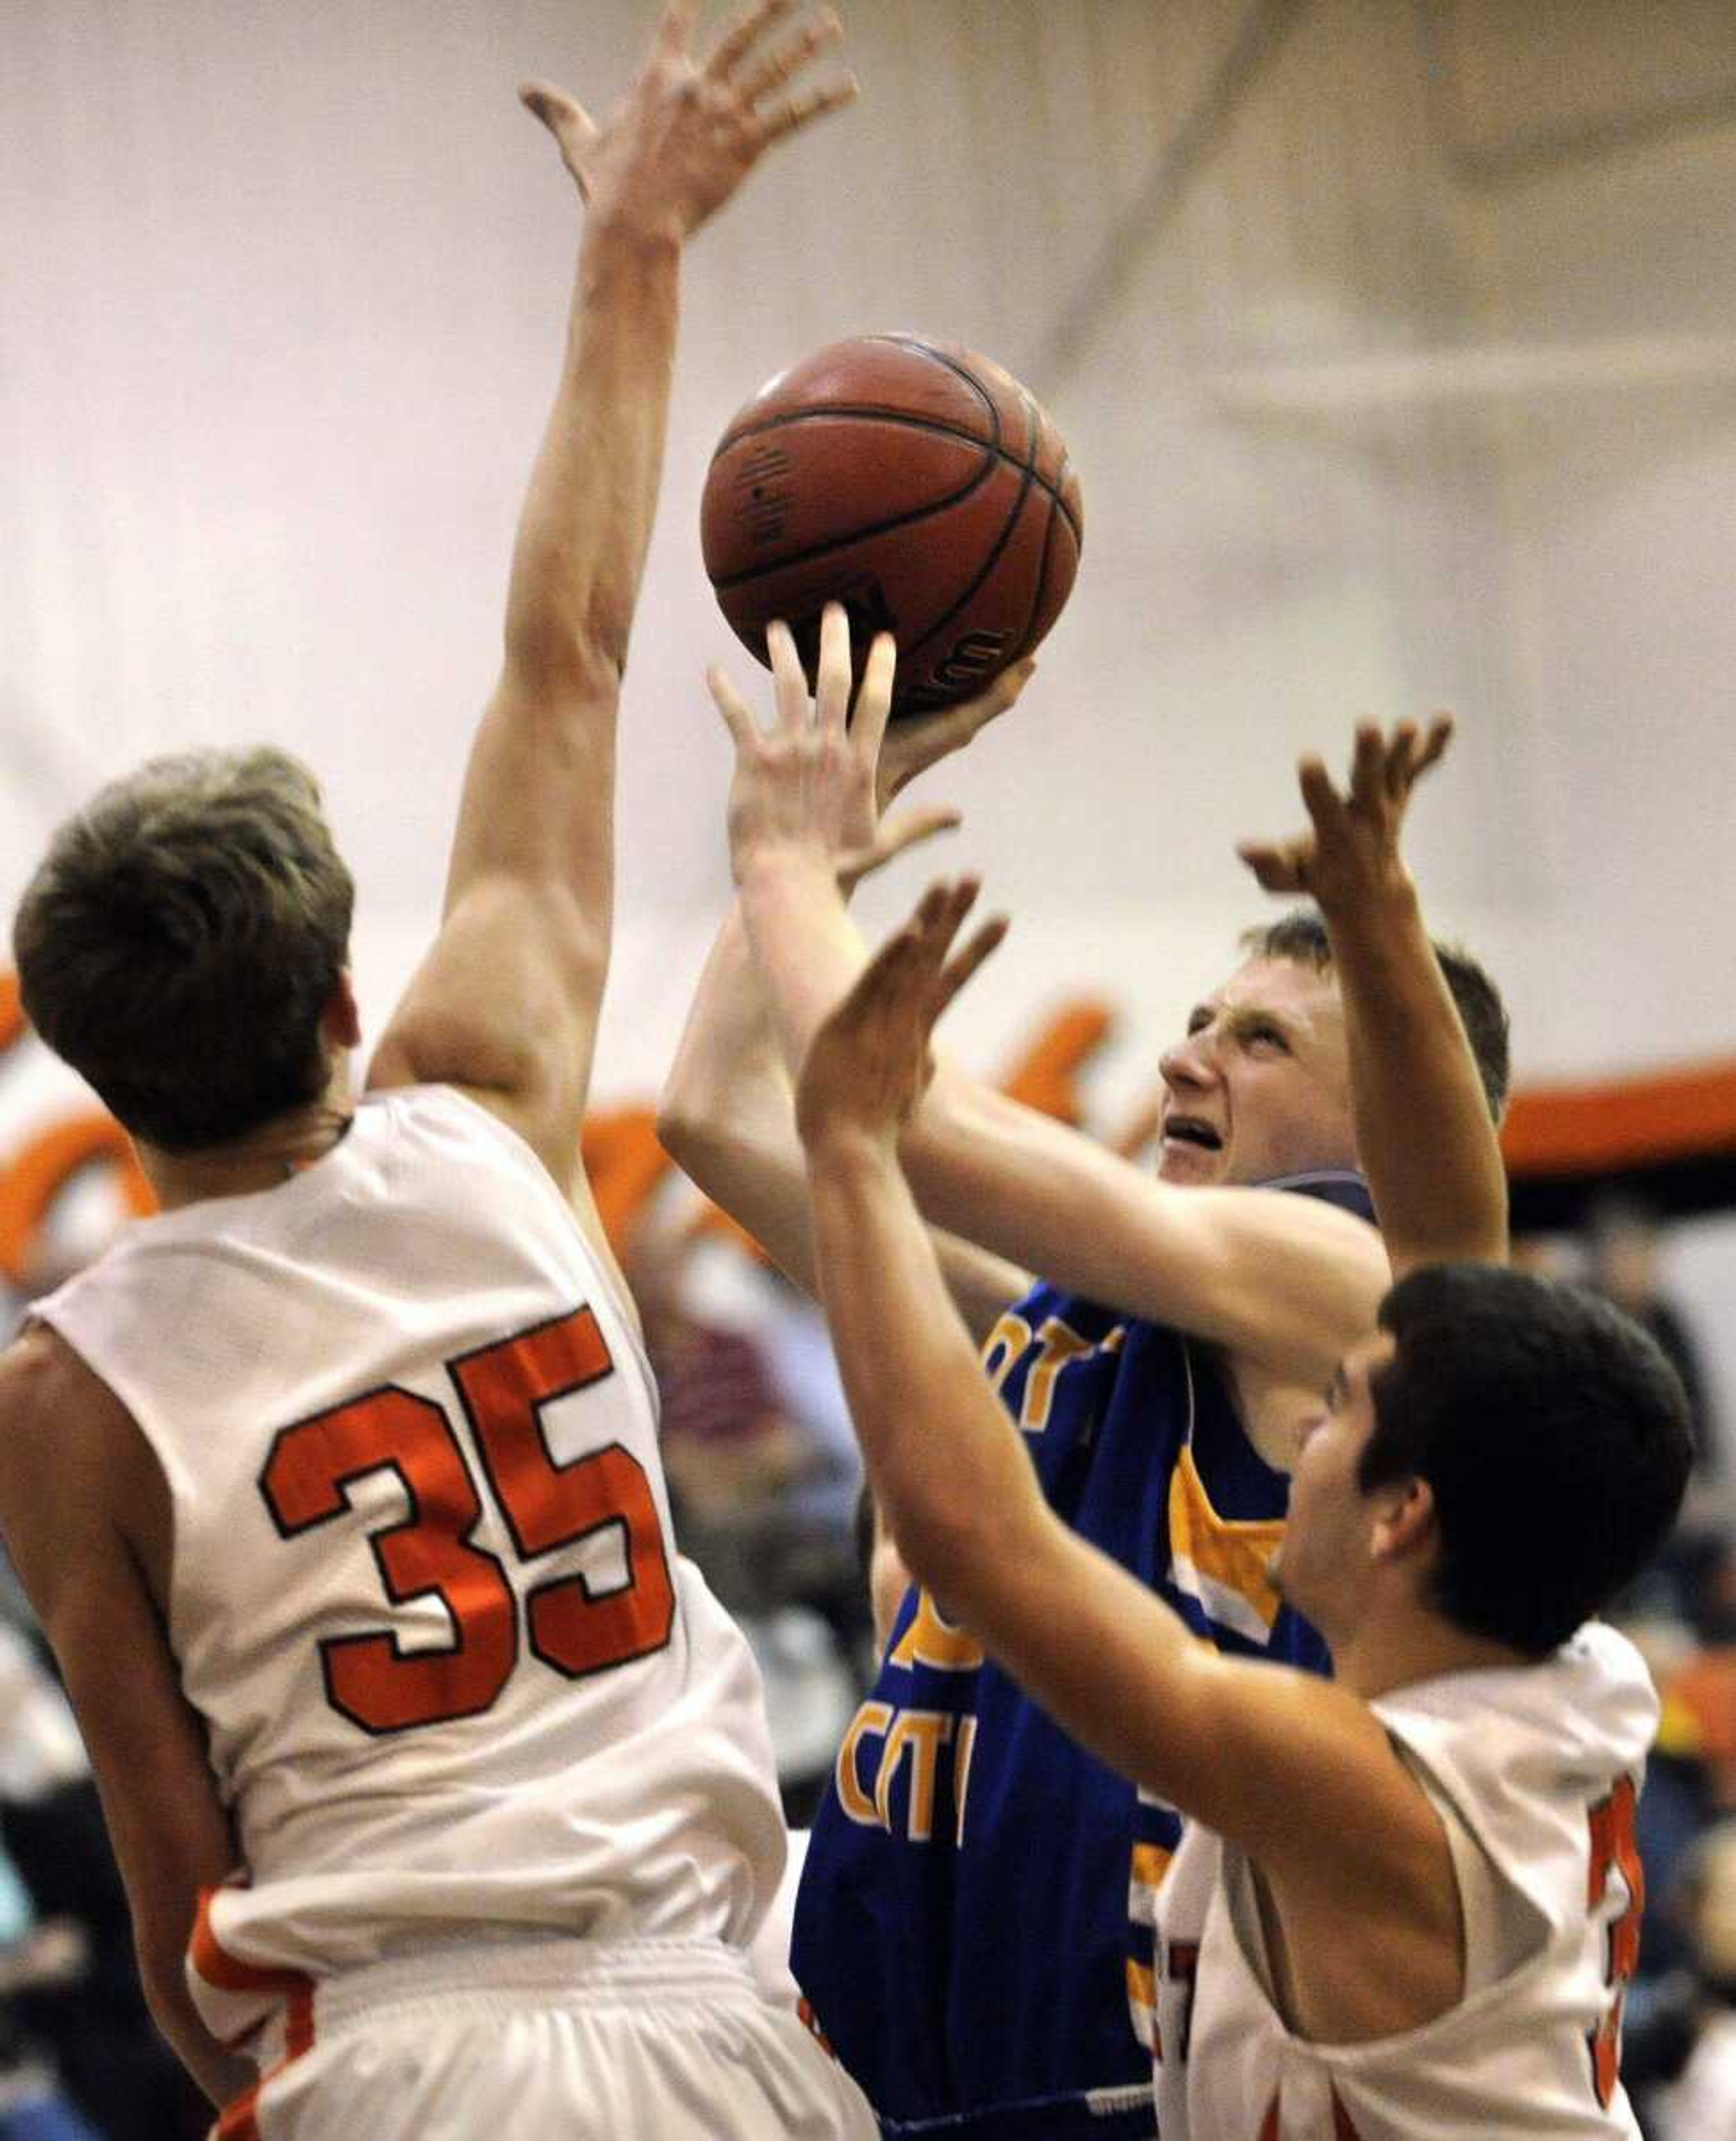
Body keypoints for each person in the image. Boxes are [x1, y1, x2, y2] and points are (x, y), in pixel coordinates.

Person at [0, 7, 873, 2138]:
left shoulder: (62, 1394)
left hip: (396, 2051)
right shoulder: (481, 1100)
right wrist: (637, 242)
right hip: (724, 2012)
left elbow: (169, 1873)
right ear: (339, 1006)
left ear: (96, 1080)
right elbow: (564, 651)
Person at [661, 606, 1510, 2133]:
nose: (1187, 1060)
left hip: (1155, 2075)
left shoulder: (1357, 1293)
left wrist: (789, 860)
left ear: (1389, 1116)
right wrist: (828, 839)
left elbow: (899, 1123)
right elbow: (717, 1112)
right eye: (1197, 1022)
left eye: (1261, 1044)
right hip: (934, 2063)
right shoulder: (1080, 1317)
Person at [788, 877, 1693, 2137]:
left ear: (1401, 1516)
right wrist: (1372, 897)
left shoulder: (1348, 1790)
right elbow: (1448, 1253)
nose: (1313, 1427)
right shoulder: (1547, 1686)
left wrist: (847, 1138)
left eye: (1344, 1415)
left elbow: (974, 1538)